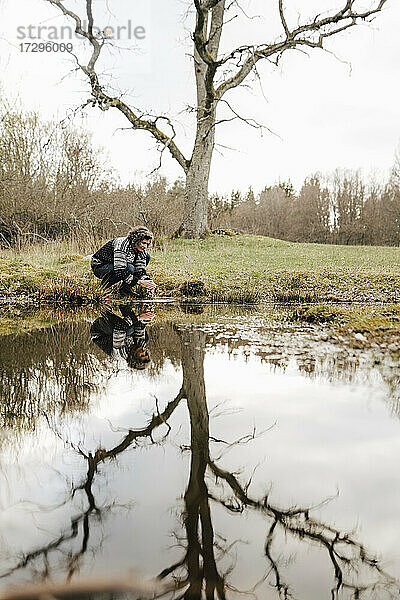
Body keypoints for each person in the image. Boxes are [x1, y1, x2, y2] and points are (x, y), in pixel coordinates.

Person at [91, 226, 157, 296]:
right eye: (143, 243)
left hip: (118, 266)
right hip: (99, 267)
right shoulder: (122, 244)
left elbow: (139, 271)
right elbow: (120, 270)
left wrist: (148, 282)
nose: (145, 246)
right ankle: (103, 288)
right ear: (136, 240)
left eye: (147, 244)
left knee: (147, 256)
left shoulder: (141, 251)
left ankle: (125, 289)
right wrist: (138, 282)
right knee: (129, 268)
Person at [90, 305, 155, 369]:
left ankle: (104, 309)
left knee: (128, 330)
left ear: (134, 357)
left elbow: (119, 328)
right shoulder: (141, 346)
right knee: (146, 340)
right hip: (119, 333)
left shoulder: (119, 353)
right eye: (146, 354)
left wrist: (138, 317)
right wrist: (147, 317)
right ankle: (124, 305)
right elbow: (140, 328)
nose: (144, 352)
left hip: (100, 331)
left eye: (142, 355)